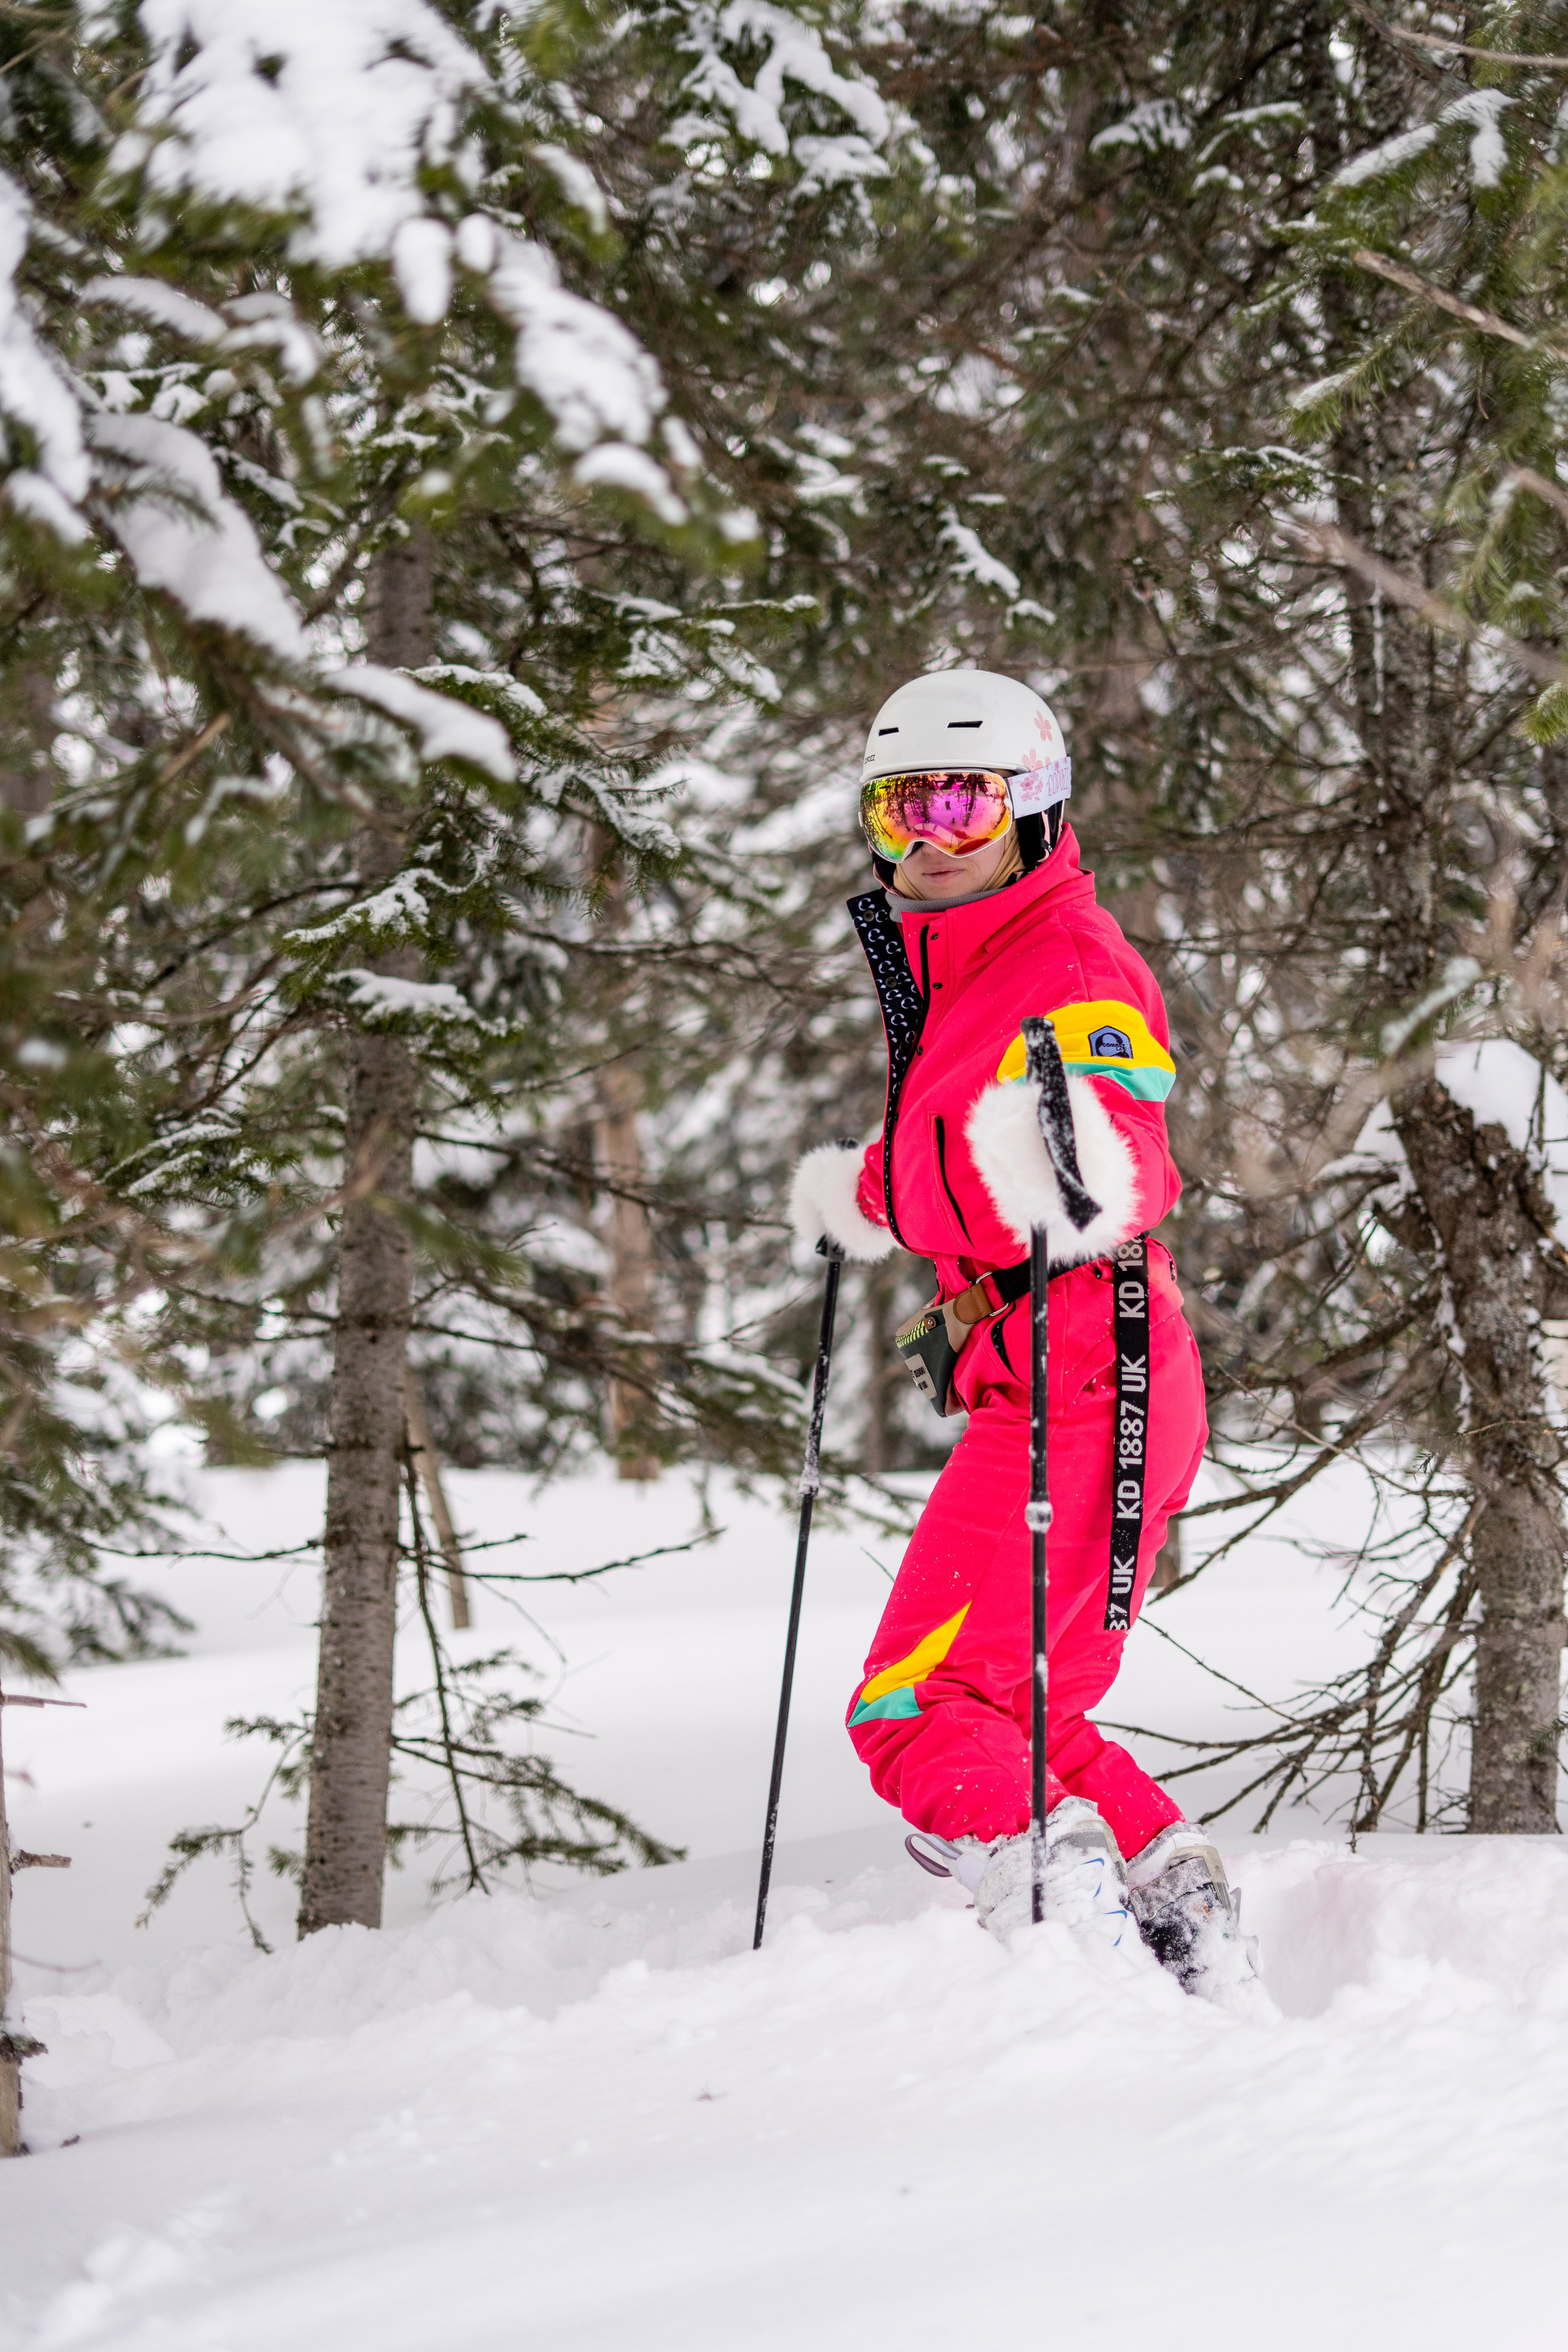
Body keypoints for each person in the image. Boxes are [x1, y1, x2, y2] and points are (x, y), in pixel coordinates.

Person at [789, 668, 1268, 2015]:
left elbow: (1121, 1134)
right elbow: (955, 1152)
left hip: (1092, 1372)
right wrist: (869, 1193)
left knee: (913, 1705)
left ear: (1035, 809)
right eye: (901, 807)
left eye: (964, 803)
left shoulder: (1067, 961)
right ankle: (1179, 1920)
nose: (928, 836)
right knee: (1013, 1706)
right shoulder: (970, 962)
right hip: (1071, 1373)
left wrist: (1078, 1161)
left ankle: (1079, 1955)